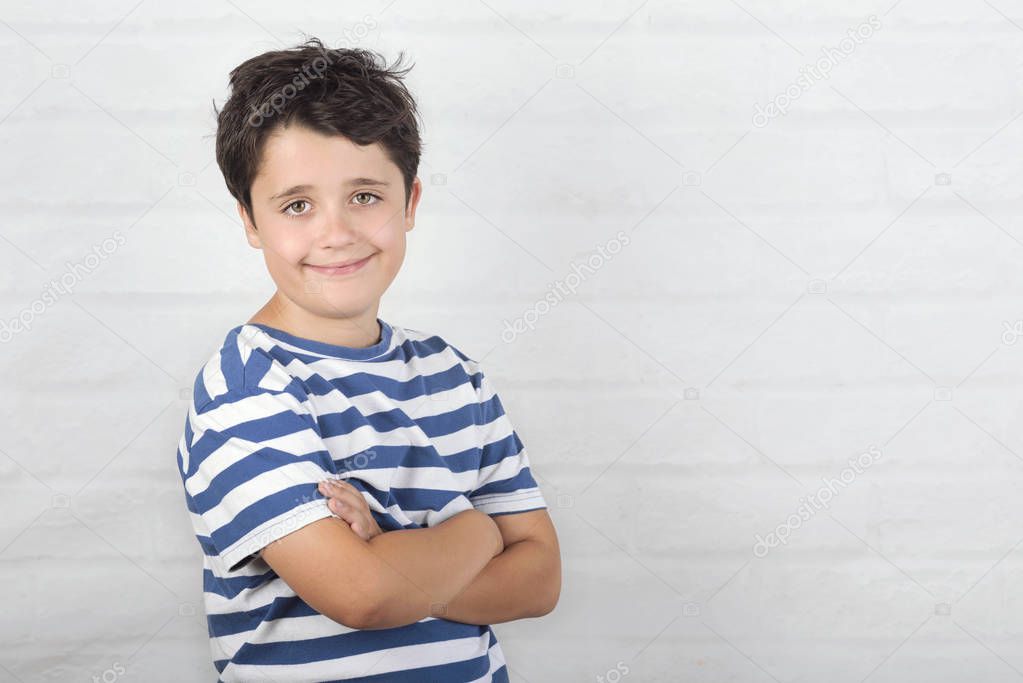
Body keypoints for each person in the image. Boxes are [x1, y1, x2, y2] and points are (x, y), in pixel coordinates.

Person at [175, 36, 561, 682]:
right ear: (250, 221)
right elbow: (362, 594)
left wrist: (391, 554)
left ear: (409, 203)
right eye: (297, 205)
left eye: (364, 196)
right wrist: (477, 535)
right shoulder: (244, 389)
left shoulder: (455, 376)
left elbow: (541, 577)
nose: (336, 232)